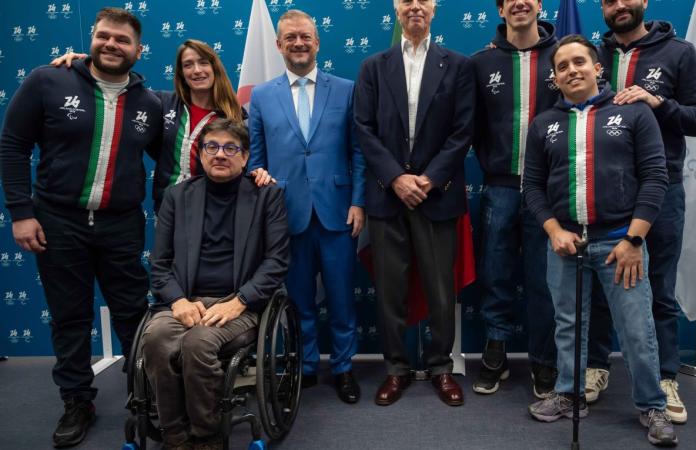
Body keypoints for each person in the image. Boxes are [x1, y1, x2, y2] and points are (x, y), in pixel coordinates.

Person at [0, 8, 162, 447]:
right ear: (91, 40)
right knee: (70, 317)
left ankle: (146, 398)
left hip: (121, 225)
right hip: (57, 221)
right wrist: (20, 211)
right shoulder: (47, 81)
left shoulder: (151, 103)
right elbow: (13, 145)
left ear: (138, 50)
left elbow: (183, 149)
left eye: (122, 40)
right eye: (104, 37)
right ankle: (77, 401)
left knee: (134, 315)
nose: (112, 45)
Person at [523, 35, 677, 447]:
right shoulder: (544, 124)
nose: (571, 70)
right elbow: (533, 186)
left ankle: (652, 405)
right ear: (554, 78)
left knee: (636, 328)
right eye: (562, 67)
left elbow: (655, 177)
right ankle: (570, 394)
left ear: (598, 69)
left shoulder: (633, 114)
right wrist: (553, 229)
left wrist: (633, 239)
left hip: (619, 244)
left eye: (579, 62)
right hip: (566, 244)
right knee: (568, 325)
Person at [585, 0, 696, 422]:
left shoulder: (679, 52)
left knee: (659, 287)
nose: (618, 5)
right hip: (606, 192)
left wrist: (660, 104)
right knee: (603, 285)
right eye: (608, 0)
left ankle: (664, 377)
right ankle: (596, 368)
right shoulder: (593, 55)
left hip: (661, 190)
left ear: (643, 2)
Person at [354, 0, 475, 407]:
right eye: (407, 0)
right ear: (397, 8)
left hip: (436, 195)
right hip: (388, 197)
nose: (415, 7)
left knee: (441, 290)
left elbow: (463, 130)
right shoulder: (373, 66)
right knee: (391, 291)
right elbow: (363, 129)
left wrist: (428, 178)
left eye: (423, 0)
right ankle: (396, 369)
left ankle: (441, 368)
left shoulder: (457, 65)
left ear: (435, 8)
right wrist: (396, 177)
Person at [143, 119, 290, 450]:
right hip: (185, 301)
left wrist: (239, 301)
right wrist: (178, 301)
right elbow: (160, 265)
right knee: (155, 339)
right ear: (201, 153)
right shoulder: (177, 197)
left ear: (245, 156)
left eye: (230, 148)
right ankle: (175, 436)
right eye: (212, 147)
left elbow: (277, 261)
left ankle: (207, 435)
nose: (220, 154)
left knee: (198, 344)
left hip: (241, 305)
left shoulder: (268, 196)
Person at [248, 9, 366, 404]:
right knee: (298, 299)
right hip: (286, 214)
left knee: (341, 298)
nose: (299, 43)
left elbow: (359, 153)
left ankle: (345, 367)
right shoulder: (262, 96)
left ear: (317, 42)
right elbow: (255, 159)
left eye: (305, 37)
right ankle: (308, 365)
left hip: (337, 212)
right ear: (279, 45)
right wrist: (259, 175)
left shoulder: (346, 89)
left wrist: (358, 202)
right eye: (290, 38)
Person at [470, 0, 559, 397]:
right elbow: (465, 126)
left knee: (544, 280)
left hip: (550, 191)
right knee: (496, 273)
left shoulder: (566, 56)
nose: (520, 3)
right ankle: (496, 352)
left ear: (539, 4)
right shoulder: (480, 63)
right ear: (501, 8)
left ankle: (543, 358)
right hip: (500, 187)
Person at [51, 39, 245, 211]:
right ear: (181, 73)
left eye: (203, 63)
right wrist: (85, 66)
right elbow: (115, 88)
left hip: (216, 208)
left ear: (215, 68)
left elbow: (245, 161)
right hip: (169, 208)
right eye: (188, 65)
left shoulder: (235, 115)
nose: (196, 70)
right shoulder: (161, 103)